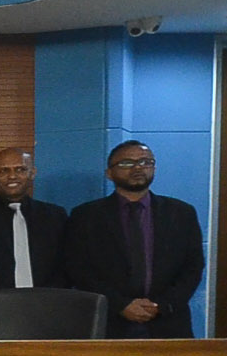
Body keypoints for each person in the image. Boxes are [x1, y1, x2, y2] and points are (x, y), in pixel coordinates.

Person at [64, 140, 205, 339]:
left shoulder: (181, 213)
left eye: (146, 162)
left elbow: (193, 267)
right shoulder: (86, 216)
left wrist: (161, 306)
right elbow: (78, 268)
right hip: (108, 323)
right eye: (127, 163)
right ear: (109, 173)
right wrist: (120, 305)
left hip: (169, 323)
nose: (138, 168)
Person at [0, 146, 67, 291]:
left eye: (20, 170)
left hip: (48, 303)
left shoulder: (55, 215)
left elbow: (66, 264)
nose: (12, 176)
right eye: (3, 170)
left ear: (33, 173)